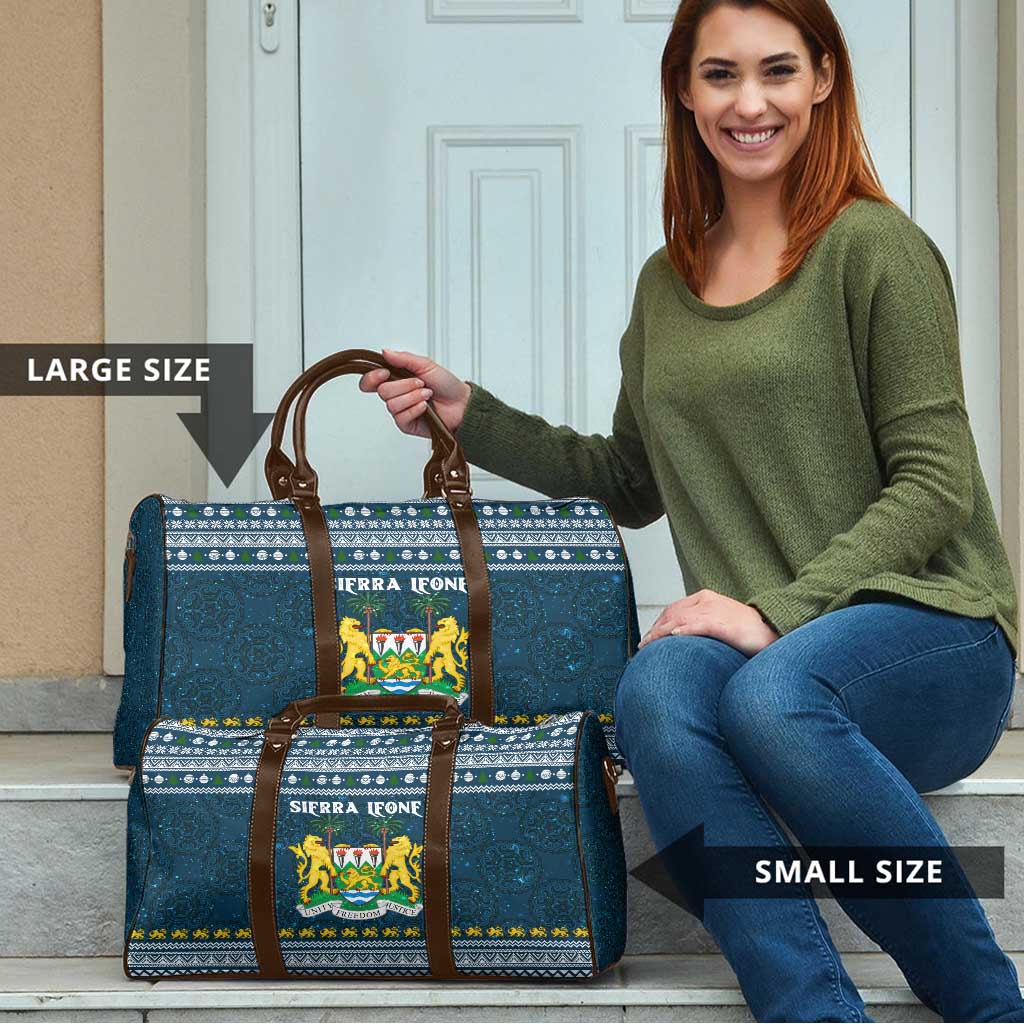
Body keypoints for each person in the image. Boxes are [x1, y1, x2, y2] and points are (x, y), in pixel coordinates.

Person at [359, 1, 1023, 1019]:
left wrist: (779, 615)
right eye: (719, 75)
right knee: (658, 686)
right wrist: (467, 416)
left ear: (823, 80)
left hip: (930, 636)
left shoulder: (874, 249)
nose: (748, 102)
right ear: (683, 88)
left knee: (766, 695)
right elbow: (631, 477)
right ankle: (810, 1009)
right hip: (777, 657)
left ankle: (986, 1001)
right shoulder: (665, 286)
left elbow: (934, 483)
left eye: (775, 71)